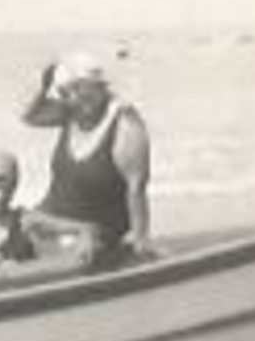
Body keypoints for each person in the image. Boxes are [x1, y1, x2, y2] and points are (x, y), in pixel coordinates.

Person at [20, 50, 155, 267]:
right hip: (51, 223)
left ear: (99, 87)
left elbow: (136, 188)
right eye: (65, 93)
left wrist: (140, 244)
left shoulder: (125, 124)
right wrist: (43, 85)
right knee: (16, 226)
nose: (72, 99)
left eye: (80, 91)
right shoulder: (70, 112)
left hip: (93, 235)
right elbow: (30, 117)